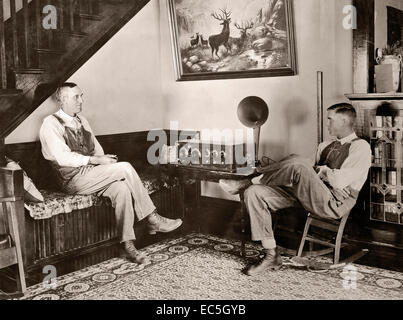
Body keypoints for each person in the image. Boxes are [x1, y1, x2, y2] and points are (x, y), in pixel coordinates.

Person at [219, 103, 371, 276]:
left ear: (344, 121)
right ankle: (271, 255)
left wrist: (320, 171)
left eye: (330, 120)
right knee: (254, 192)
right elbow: (310, 174)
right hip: (310, 194)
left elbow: (339, 181)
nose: (327, 124)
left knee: (298, 163)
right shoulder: (324, 145)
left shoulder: (361, 147)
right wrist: (319, 172)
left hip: (334, 202)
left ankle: (247, 180)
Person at [39, 83, 182, 265]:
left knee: (121, 188)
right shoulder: (50, 123)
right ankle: (152, 217)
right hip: (72, 179)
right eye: (76, 97)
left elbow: (97, 150)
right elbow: (62, 157)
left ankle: (128, 246)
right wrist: (97, 162)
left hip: (92, 174)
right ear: (63, 99)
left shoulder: (82, 120)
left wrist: (104, 161)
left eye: (82, 96)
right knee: (125, 168)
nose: (81, 100)